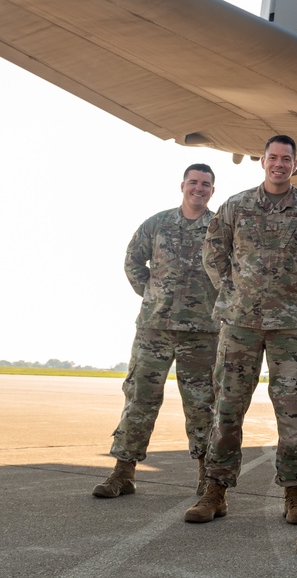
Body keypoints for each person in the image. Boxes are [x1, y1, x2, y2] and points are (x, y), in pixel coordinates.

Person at [184, 135, 297, 525]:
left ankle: (295, 494)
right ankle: (215, 491)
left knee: (292, 411)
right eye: (273, 157)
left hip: (290, 327)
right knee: (227, 410)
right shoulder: (236, 206)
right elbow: (213, 254)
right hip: (240, 324)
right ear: (262, 161)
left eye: (287, 159)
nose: (280, 164)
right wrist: (235, 293)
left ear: (295, 163)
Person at [93, 164, 219, 498]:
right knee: (139, 399)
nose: (199, 188)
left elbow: (234, 271)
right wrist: (151, 293)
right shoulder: (157, 224)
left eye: (205, 184)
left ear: (212, 190)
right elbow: (133, 261)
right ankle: (122, 473)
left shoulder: (220, 227)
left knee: (202, 404)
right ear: (182, 186)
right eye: (193, 182)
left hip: (202, 332)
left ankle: (207, 475)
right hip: (154, 328)